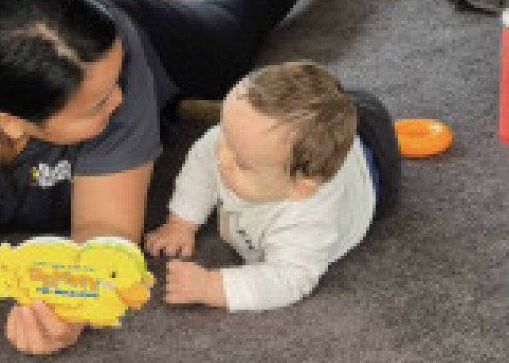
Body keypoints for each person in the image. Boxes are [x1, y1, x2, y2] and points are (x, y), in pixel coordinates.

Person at [0, 0, 300, 354]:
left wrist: (75, 306)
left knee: (235, 31)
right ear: (11, 122)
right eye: (98, 106)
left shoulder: (113, 63)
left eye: (118, 84)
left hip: (120, 24)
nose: (123, 102)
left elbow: (106, 240)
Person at [145, 61, 401, 311]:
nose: (221, 158)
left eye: (242, 163)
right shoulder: (230, 148)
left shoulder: (309, 219)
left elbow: (291, 279)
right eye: (224, 134)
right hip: (310, 140)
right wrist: (181, 222)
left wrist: (211, 286)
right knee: (312, 120)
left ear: (300, 188)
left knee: (354, 118)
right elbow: (202, 162)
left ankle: (355, 115)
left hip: (372, 160)